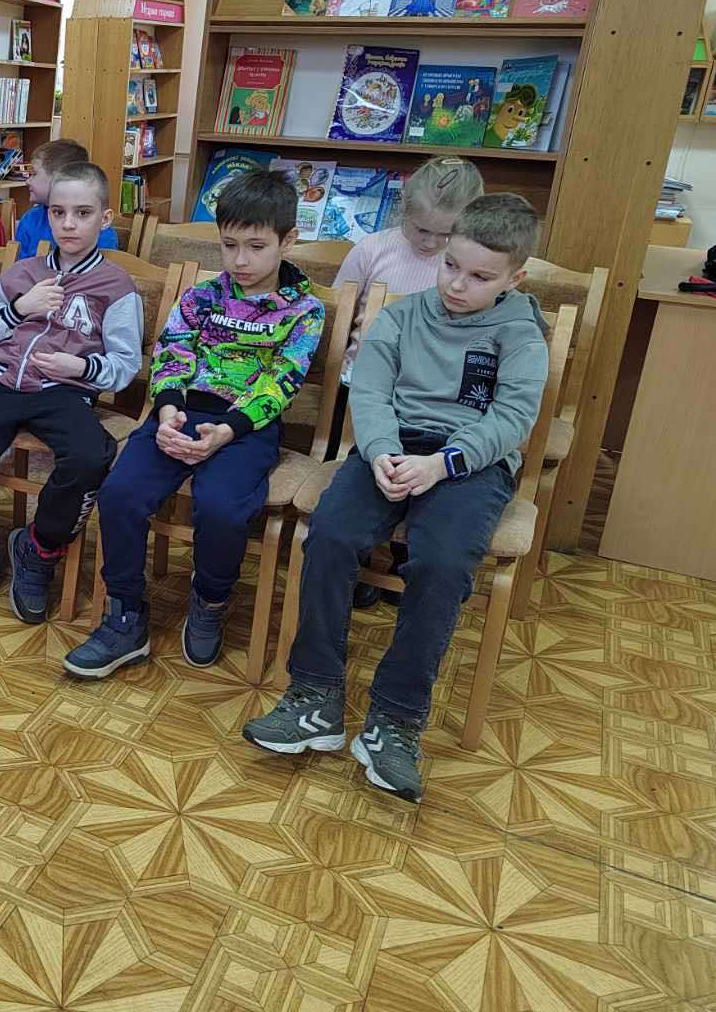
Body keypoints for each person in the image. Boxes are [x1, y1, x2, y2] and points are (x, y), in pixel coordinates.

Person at [243, 193, 550, 804]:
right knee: (331, 535)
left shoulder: (521, 334)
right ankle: (315, 696)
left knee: (442, 563)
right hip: (389, 449)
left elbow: (513, 418)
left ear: (514, 279)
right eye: (451, 266)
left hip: (468, 462)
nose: (457, 284)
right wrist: (382, 451)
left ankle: (396, 718)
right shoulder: (402, 316)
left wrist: (441, 464)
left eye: (480, 276)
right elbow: (371, 391)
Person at [65, 169, 325, 679]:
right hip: (180, 412)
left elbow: (282, 382)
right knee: (120, 494)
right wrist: (167, 413)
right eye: (229, 246)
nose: (240, 260)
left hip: (247, 426)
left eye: (256, 247)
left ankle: (209, 601)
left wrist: (228, 430)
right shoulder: (202, 296)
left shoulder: (304, 310)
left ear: (288, 240)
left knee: (223, 506)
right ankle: (125, 615)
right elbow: (172, 354)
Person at [0, 161, 143, 622]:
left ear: (105, 218)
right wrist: (20, 308)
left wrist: (79, 367)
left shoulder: (117, 286)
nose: (69, 224)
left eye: (82, 213)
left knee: (90, 457)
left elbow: (125, 366)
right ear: (47, 215)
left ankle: (38, 549)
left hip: (64, 389)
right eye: (59, 213)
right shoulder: (22, 272)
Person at [334, 156, 484, 607]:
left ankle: (407, 556)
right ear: (403, 208)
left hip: (434, 399)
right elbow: (338, 317)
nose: (431, 243)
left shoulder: (466, 269)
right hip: (363, 389)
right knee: (369, 473)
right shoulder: (372, 250)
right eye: (422, 230)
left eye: (446, 235)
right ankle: (358, 558)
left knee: (425, 472)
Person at [12, 138, 116, 261]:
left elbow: (103, 270)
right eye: (57, 213)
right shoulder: (31, 218)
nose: (28, 181)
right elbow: (19, 267)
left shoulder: (102, 234)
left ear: (59, 178)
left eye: (34, 174)